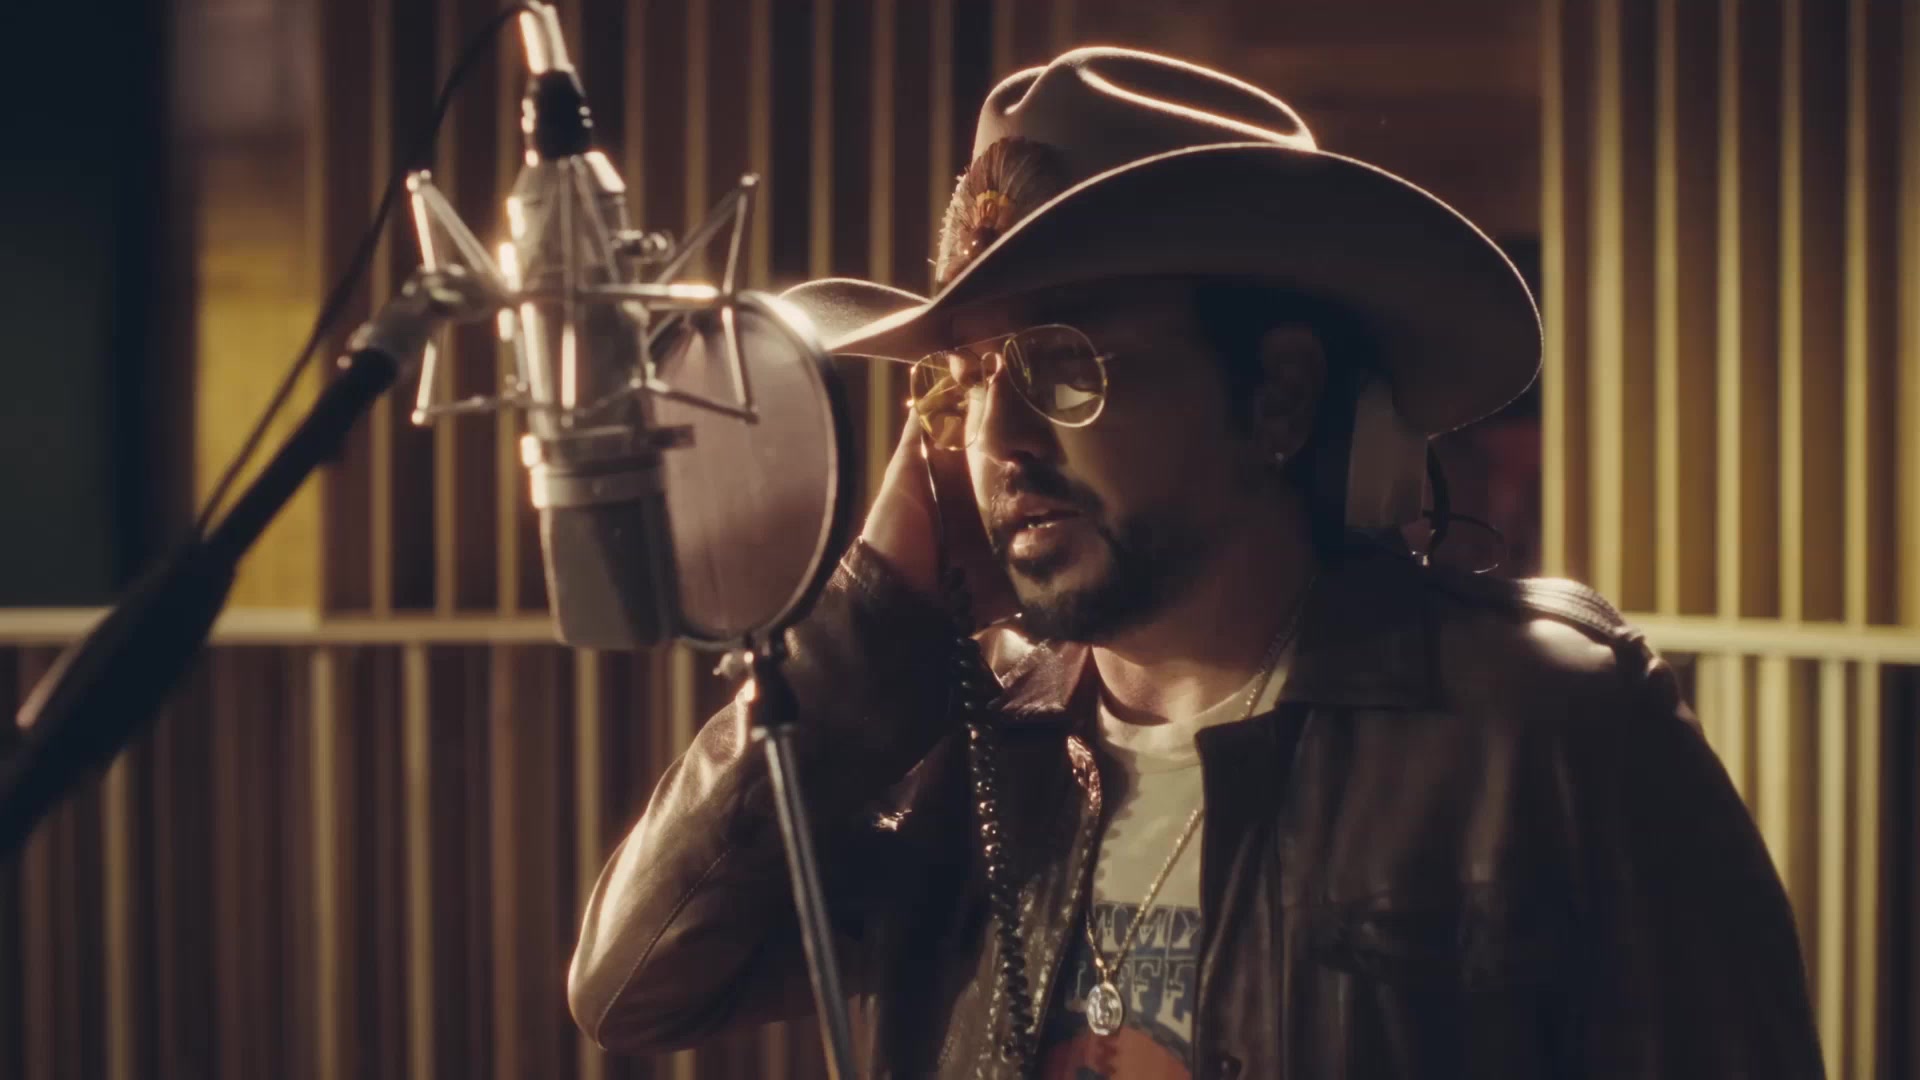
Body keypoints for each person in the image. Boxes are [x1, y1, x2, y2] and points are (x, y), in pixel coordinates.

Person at [567, 47, 1823, 1079]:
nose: (1001, 439)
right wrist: (877, 614)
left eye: (1061, 363)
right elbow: (635, 986)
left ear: (1278, 396)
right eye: (972, 379)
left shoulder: (1543, 727)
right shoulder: (977, 744)